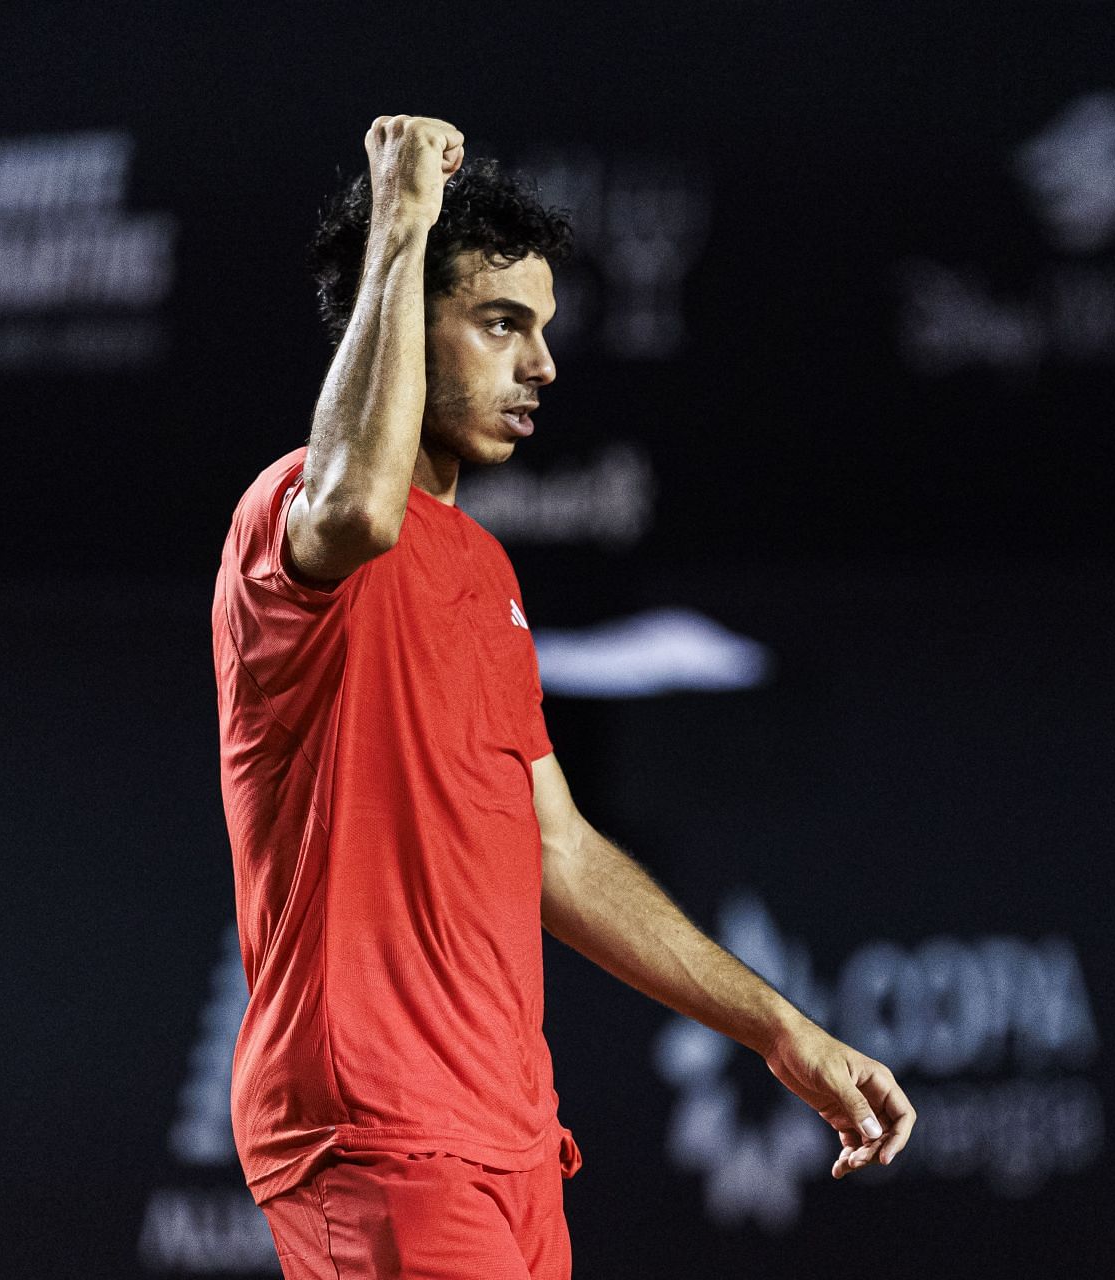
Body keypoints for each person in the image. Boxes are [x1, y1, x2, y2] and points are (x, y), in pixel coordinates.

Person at [211, 114, 914, 1280]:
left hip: (512, 1139)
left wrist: (779, 1027)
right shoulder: (291, 516)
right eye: (499, 325)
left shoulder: (486, 571)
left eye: (541, 330)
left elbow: (558, 849)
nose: (542, 364)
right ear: (398, 318)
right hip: (380, 1125)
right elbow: (355, 506)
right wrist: (400, 223)